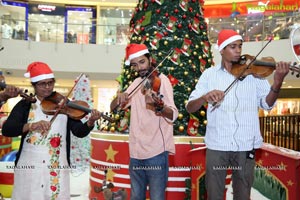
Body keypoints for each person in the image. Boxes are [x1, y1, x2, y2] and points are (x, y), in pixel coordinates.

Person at [185, 29, 290, 200]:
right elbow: (190, 107)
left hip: (245, 144)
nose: (238, 51)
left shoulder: (255, 74)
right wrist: (205, 97)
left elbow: (267, 104)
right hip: (217, 145)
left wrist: (277, 83)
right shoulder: (209, 75)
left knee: (243, 195)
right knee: (214, 194)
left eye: (240, 46)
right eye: (233, 47)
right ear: (222, 49)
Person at [1, 61, 101, 200]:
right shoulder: (25, 104)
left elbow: (79, 131)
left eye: (50, 83)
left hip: (57, 167)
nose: (48, 87)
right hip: (29, 167)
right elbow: (8, 130)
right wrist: (30, 126)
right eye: (43, 84)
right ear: (34, 85)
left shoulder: (63, 104)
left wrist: (90, 122)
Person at [110, 43, 178, 200]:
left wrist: (158, 106)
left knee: (157, 197)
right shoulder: (135, 84)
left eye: (142, 62)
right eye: (135, 65)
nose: (139, 67)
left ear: (150, 60)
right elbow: (113, 108)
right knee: (136, 197)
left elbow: (173, 114)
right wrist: (118, 97)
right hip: (135, 152)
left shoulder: (162, 81)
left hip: (156, 152)